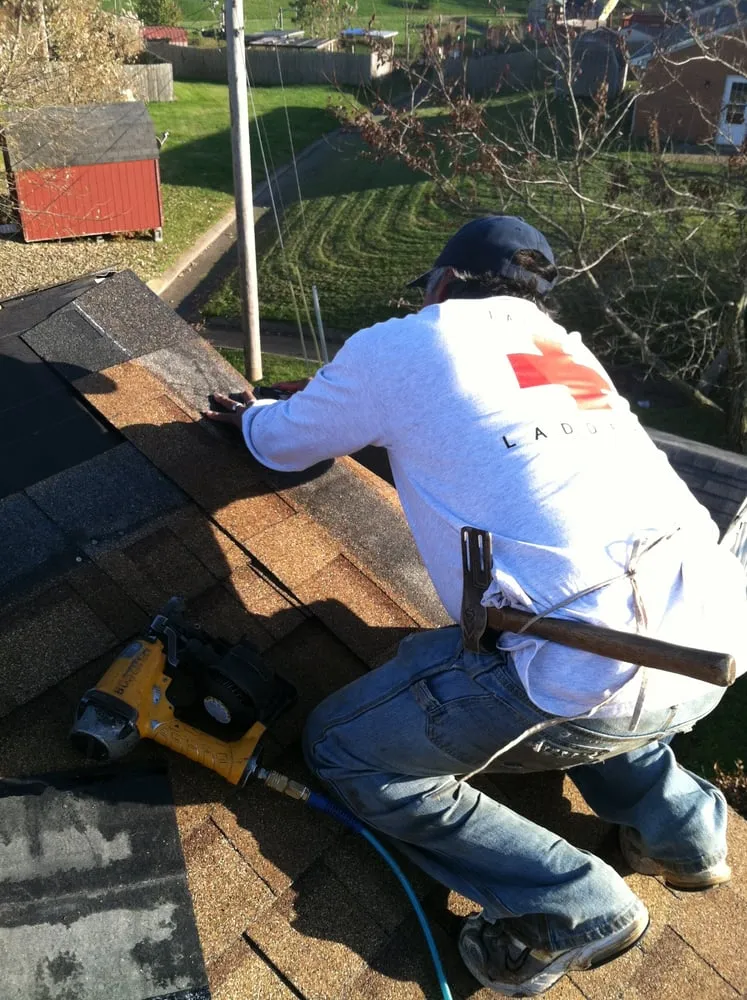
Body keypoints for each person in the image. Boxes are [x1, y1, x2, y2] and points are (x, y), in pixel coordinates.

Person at [206, 216, 746, 996]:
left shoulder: (407, 341)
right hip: (710, 640)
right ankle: (687, 835)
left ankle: (567, 906)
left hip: (583, 662)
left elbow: (281, 444)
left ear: (442, 283)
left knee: (345, 748)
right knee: (603, 665)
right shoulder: (565, 350)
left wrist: (250, 415)